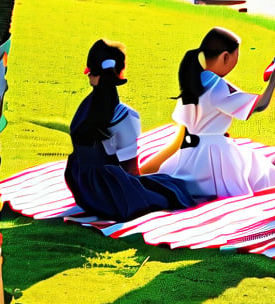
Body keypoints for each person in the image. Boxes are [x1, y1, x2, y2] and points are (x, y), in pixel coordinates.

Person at [139, 28, 275, 199]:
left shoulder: (194, 79)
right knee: (260, 171)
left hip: (190, 155)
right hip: (215, 156)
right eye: (236, 56)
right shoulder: (218, 86)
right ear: (226, 57)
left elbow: (180, 136)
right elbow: (260, 104)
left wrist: (143, 170)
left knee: (256, 164)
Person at [65, 39, 195, 220]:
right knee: (174, 189)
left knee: (162, 183)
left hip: (81, 185)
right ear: (119, 71)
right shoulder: (125, 116)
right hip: (112, 195)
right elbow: (131, 170)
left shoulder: (83, 111)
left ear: (90, 73)